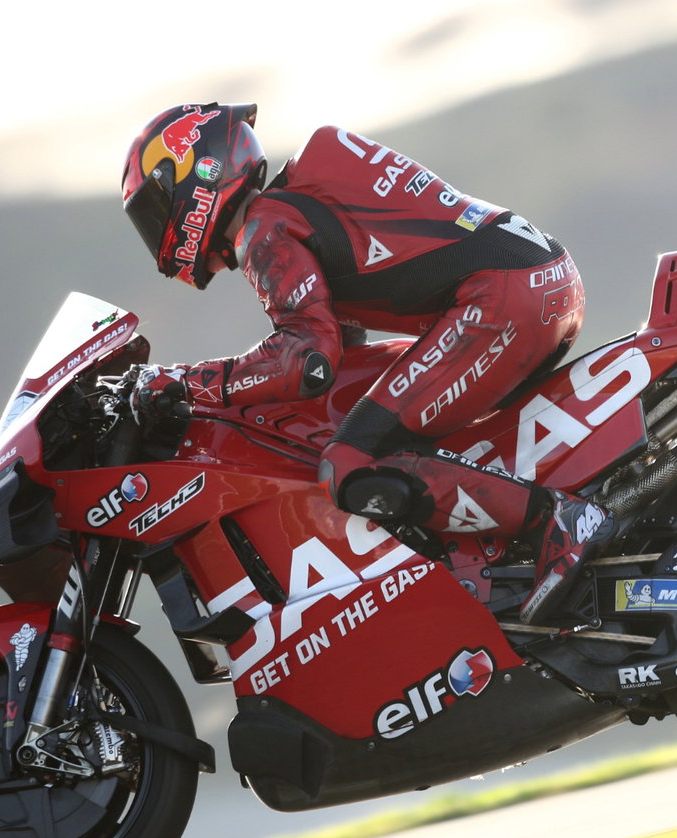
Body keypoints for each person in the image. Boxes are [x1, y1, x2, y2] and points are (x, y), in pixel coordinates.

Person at [120, 102, 611, 625]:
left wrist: (181, 384)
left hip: (501, 298)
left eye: (155, 207)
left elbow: (307, 360)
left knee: (349, 466)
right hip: (540, 282)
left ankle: (558, 521)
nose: (157, 228)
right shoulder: (297, 198)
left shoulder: (265, 227)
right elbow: (340, 354)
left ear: (197, 175)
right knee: (380, 432)